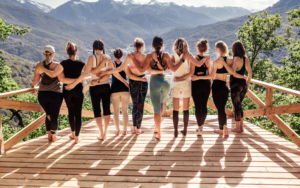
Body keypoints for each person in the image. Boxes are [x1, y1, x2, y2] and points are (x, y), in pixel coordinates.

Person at [99, 38, 162, 135]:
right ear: (142, 46)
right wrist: (162, 72)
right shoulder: (145, 56)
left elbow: (119, 68)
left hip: (132, 82)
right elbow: (150, 71)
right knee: (140, 105)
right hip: (142, 82)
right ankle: (138, 129)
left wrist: (107, 72)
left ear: (134, 46)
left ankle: (133, 126)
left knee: (135, 105)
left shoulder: (129, 56)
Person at [37, 42, 94, 144]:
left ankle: (72, 133)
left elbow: (53, 74)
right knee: (78, 113)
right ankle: (77, 138)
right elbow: (90, 71)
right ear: (76, 51)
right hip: (78, 90)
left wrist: (42, 68)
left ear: (67, 52)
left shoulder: (63, 63)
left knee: (71, 112)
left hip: (67, 91)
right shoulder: (81, 63)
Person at [130, 36, 183, 140]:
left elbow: (141, 70)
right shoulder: (166, 55)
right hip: (165, 82)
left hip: (155, 82)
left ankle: (159, 132)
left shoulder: (149, 56)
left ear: (152, 45)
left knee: (156, 109)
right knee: (160, 104)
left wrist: (133, 59)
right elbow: (173, 68)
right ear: (162, 45)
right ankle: (156, 127)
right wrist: (183, 60)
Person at [192, 41, 245, 136]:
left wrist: (198, 77)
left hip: (217, 85)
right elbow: (232, 72)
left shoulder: (216, 62)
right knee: (222, 108)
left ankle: (224, 126)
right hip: (225, 86)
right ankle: (221, 128)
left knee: (220, 109)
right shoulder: (230, 61)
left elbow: (211, 76)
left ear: (218, 49)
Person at [32, 45, 76, 142]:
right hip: (55, 95)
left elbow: (35, 81)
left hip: (42, 95)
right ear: (53, 54)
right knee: (54, 116)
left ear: (43, 54)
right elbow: (63, 79)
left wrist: (32, 87)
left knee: (48, 115)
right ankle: (54, 137)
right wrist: (77, 81)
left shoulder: (39, 66)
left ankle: (49, 136)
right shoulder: (57, 66)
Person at [76, 39, 113, 140]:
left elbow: (89, 72)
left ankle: (101, 134)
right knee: (107, 110)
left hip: (94, 86)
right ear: (103, 47)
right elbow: (109, 74)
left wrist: (96, 81)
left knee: (97, 111)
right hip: (105, 85)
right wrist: (102, 78)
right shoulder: (108, 58)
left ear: (93, 48)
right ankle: (105, 131)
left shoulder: (91, 57)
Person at [174, 39, 211, 136]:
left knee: (194, 107)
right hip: (198, 84)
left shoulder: (191, 58)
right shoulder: (203, 59)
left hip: (189, 84)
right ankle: (197, 127)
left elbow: (191, 71)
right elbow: (207, 73)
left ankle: (196, 128)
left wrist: (178, 78)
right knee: (199, 106)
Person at [217, 41, 252, 133]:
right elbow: (250, 72)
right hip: (244, 85)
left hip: (236, 86)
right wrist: (247, 84)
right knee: (239, 106)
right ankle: (241, 127)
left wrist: (223, 63)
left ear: (234, 49)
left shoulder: (236, 59)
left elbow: (233, 73)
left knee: (236, 106)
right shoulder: (246, 59)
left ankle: (237, 128)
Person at [110, 48, 130, 136]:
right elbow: (129, 75)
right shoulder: (124, 65)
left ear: (113, 56)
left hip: (114, 90)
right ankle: (125, 130)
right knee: (125, 112)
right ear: (122, 56)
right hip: (125, 90)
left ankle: (117, 130)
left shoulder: (112, 65)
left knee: (116, 112)